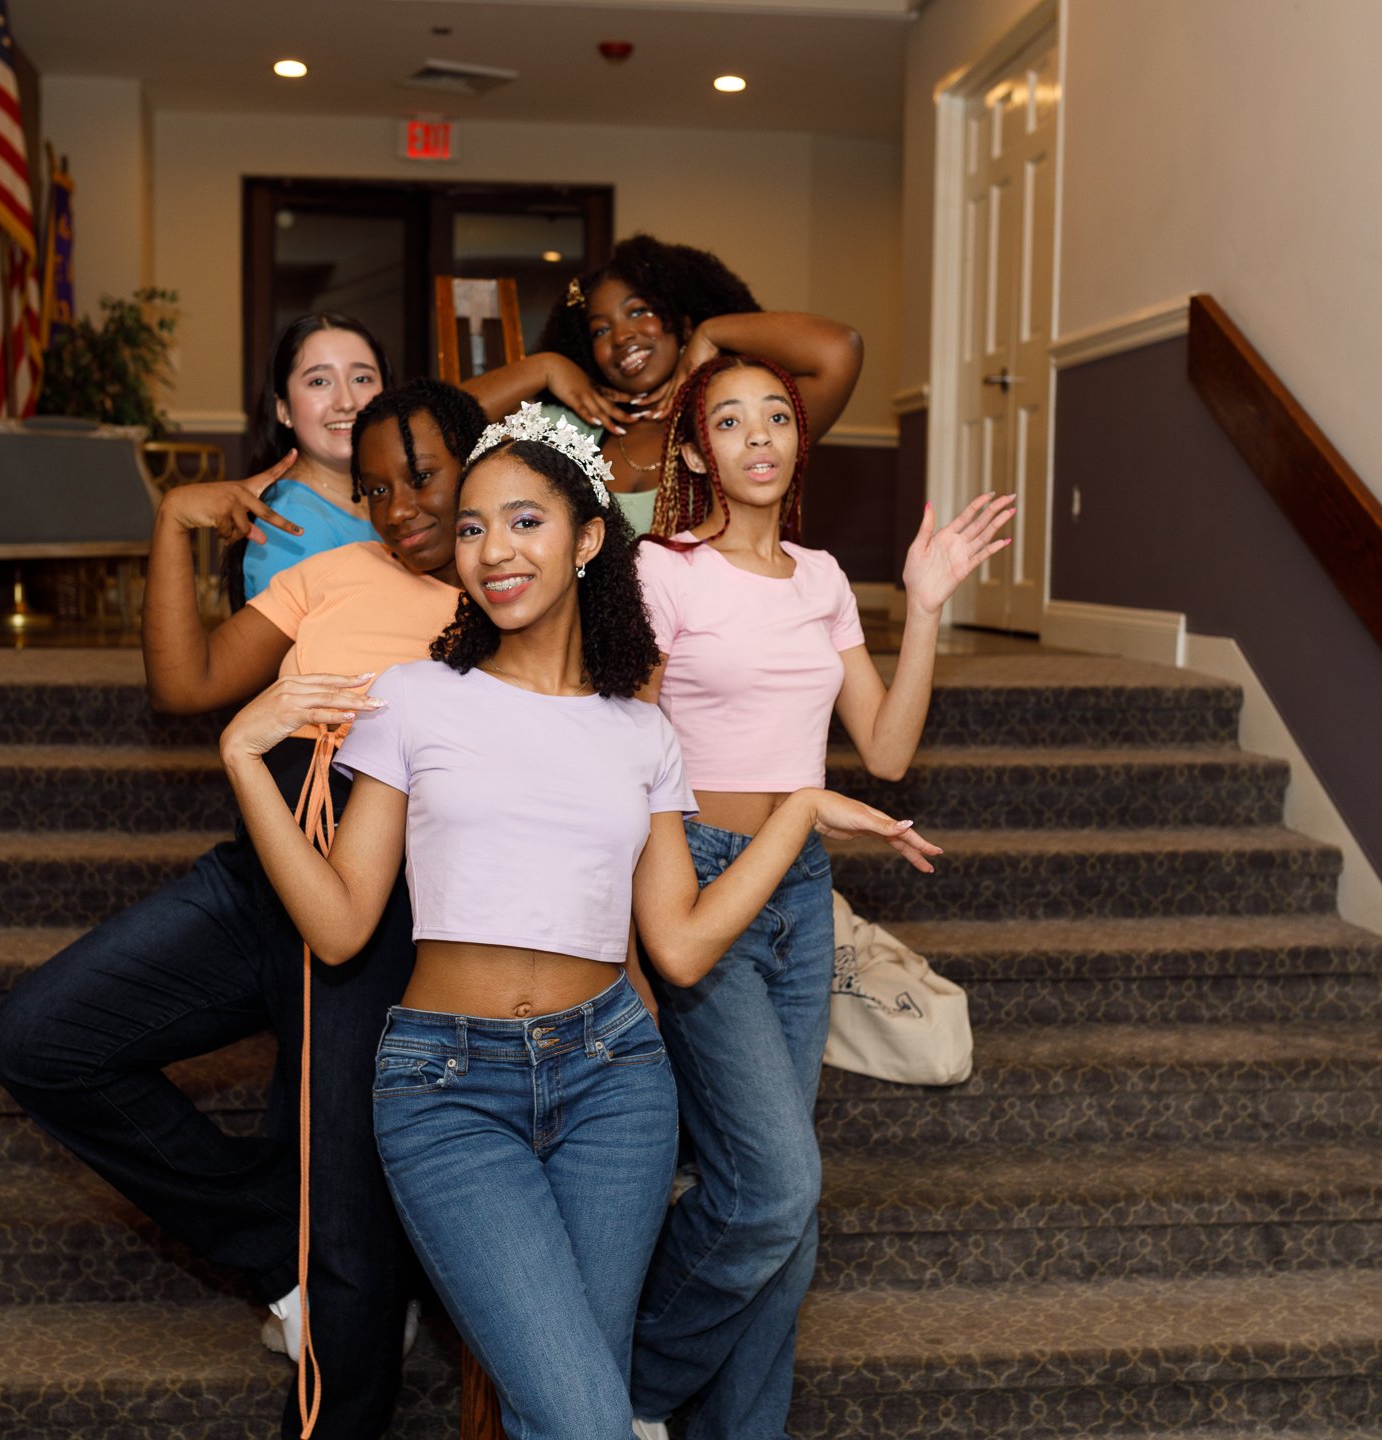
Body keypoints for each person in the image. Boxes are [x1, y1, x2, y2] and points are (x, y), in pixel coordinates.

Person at [215, 406, 939, 1440]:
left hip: (614, 1085)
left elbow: (682, 944)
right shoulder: (414, 699)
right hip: (447, 1091)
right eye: (471, 528)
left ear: (588, 537)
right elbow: (337, 928)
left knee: (562, 1414)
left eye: (523, 522)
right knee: (587, 1420)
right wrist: (246, 761)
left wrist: (799, 815)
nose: (494, 550)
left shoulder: (641, 730)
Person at [0, 379, 487, 1440]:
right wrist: (171, 522)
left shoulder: (507, 600)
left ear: (479, 470)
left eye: (426, 478)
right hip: (259, 861)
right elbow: (187, 681)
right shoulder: (331, 570)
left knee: (345, 1220)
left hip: (376, 895)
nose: (399, 509)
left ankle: (337, 1293)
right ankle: (276, 1236)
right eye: (379, 485)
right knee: (38, 1038)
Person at [628, 356, 1017, 1440]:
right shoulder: (663, 572)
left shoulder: (825, 577)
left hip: (801, 897)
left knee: (782, 1213)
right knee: (776, 1191)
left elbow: (886, 753)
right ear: (699, 450)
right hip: (701, 877)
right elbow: (628, 746)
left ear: (799, 442)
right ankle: (626, 1397)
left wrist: (927, 606)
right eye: (730, 419)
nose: (759, 435)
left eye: (778, 417)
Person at [459, 234, 862, 534]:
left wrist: (710, 333)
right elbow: (438, 426)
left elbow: (839, 350)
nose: (622, 336)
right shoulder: (572, 429)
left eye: (640, 311)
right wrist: (543, 368)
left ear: (679, 321)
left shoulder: (736, 423)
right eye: (600, 331)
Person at [235, 312, 388, 603]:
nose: (346, 402)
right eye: (319, 382)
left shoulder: (386, 498)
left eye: (361, 378)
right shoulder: (293, 523)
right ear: (284, 410)